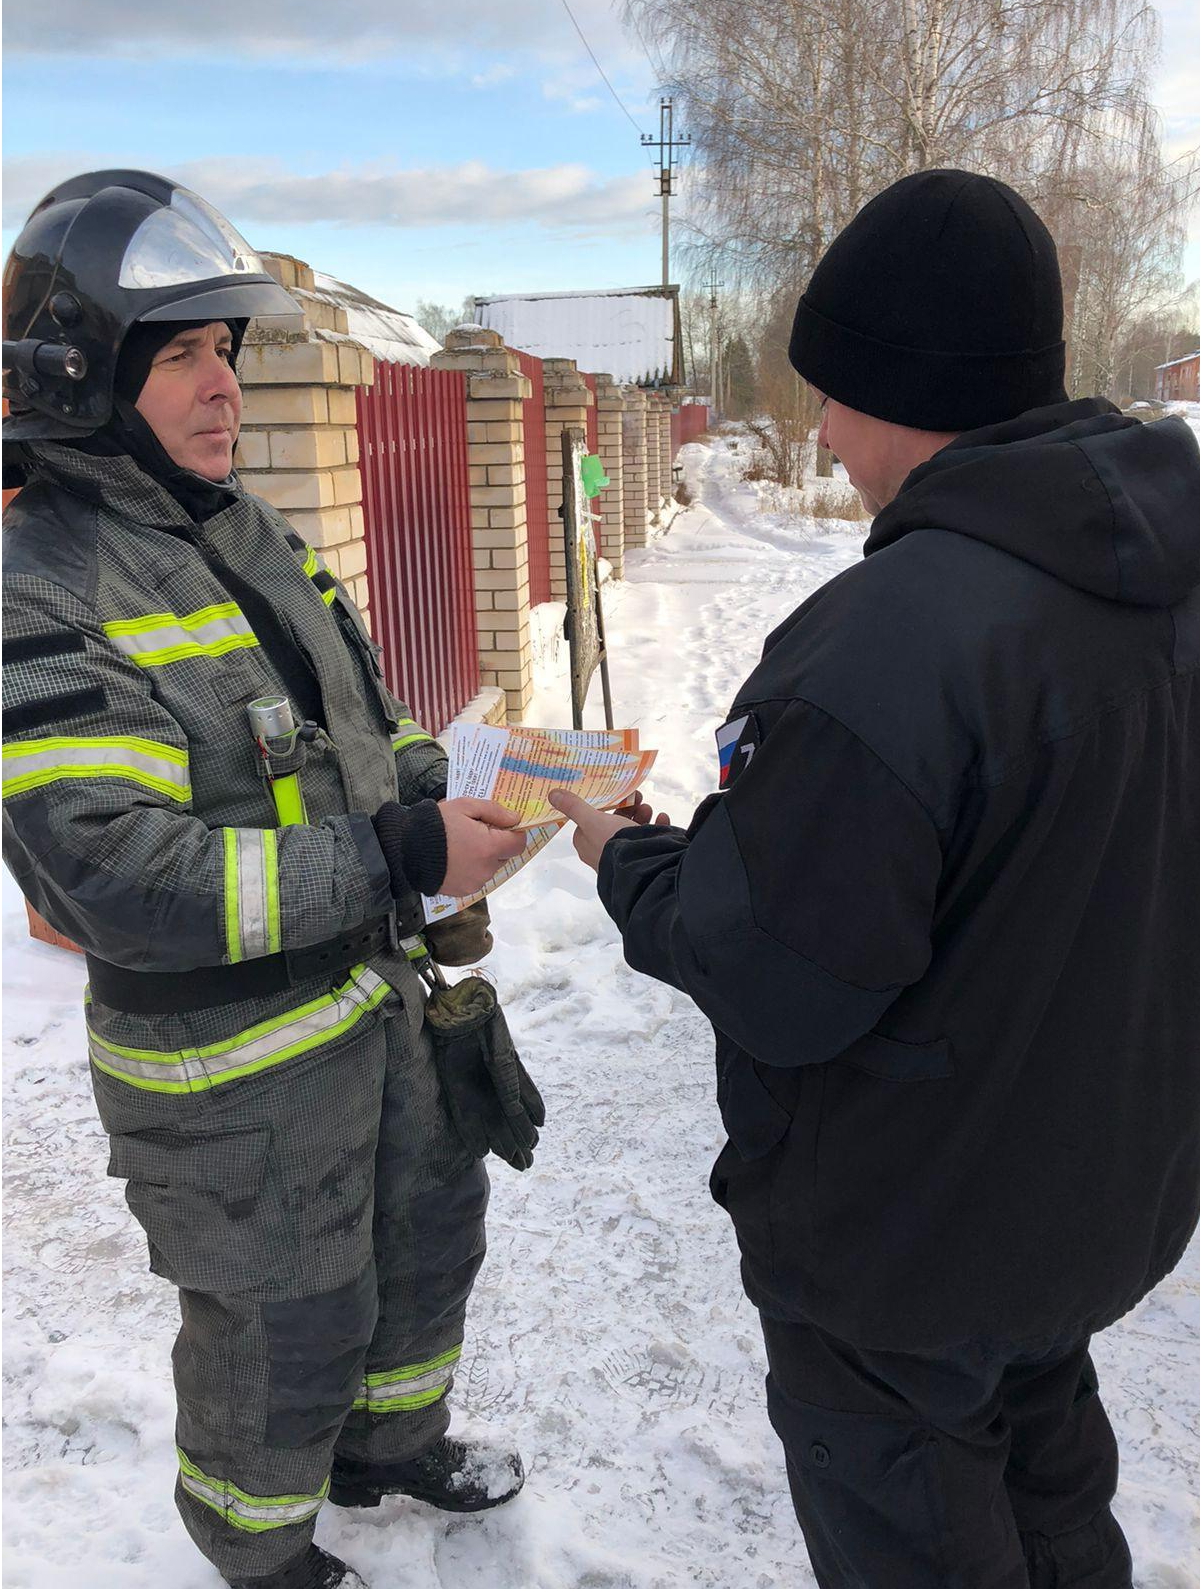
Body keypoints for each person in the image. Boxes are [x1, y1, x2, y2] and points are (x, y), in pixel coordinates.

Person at [551, 169, 1199, 1588]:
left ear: (899, 388)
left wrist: (625, 850)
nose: (828, 437)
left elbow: (779, 974)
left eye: (833, 394)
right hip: (1091, 1197)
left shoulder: (889, 647)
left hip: (912, 1248)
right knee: (1050, 1489)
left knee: (923, 1533)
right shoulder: (1163, 586)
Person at [2, 170, 544, 1589]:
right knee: (278, 1322)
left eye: (226, 352)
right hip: (226, 1067)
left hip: (368, 1004)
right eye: (178, 353)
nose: (223, 386)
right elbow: (118, 874)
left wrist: (462, 786)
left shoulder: (246, 530)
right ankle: (262, 1551)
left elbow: (365, 725)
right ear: (79, 373)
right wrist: (394, 856)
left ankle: (384, 1451)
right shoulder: (39, 585)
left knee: (425, 1243)